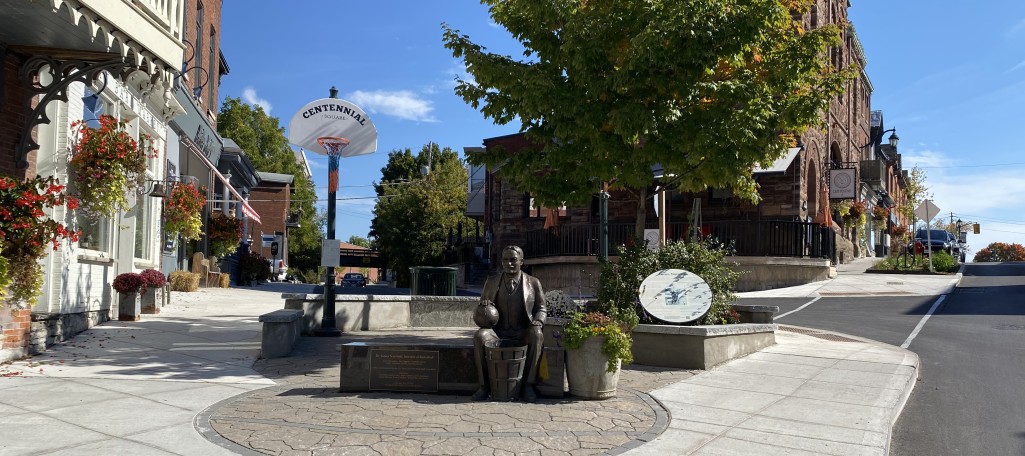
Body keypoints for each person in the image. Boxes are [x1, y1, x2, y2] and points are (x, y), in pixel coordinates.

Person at [472, 245, 546, 402]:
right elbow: (480, 313)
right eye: (505, 260)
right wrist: (484, 307)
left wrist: (538, 321)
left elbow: (542, 308)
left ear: (522, 261)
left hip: (522, 331)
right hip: (498, 332)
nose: (509, 263)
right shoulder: (491, 282)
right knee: (480, 336)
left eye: (513, 260)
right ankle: (484, 387)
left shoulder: (533, 282)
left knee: (537, 335)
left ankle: (528, 385)